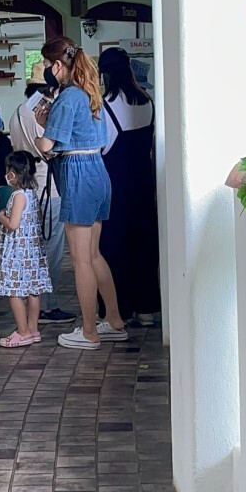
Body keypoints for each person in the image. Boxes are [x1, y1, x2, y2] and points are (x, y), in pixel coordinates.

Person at [34, 36, 127, 350]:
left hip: (77, 174)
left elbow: (47, 145)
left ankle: (89, 331)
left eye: (46, 64)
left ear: (58, 65)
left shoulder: (68, 97)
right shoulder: (90, 92)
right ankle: (113, 320)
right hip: (97, 170)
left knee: (80, 259)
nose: (45, 69)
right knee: (94, 254)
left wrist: (41, 130)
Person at [99, 47, 160, 326]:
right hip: (144, 183)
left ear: (105, 74)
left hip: (116, 188)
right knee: (144, 245)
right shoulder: (147, 101)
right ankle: (146, 307)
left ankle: (118, 310)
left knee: (113, 247)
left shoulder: (105, 106)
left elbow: (102, 148)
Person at [9, 77, 73, 326]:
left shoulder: (16, 114)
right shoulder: (41, 115)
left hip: (26, 190)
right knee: (52, 249)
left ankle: (32, 303)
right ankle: (48, 304)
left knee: (31, 248)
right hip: (49, 187)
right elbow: (51, 148)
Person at [0, 151, 52, 348]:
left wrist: (1, 216)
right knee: (33, 291)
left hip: (17, 252)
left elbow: (13, 224)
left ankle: (22, 331)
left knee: (15, 292)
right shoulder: (32, 193)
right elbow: (38, 217)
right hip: (33, 251)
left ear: (14, 172)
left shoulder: (18, 195)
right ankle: (33, 329)